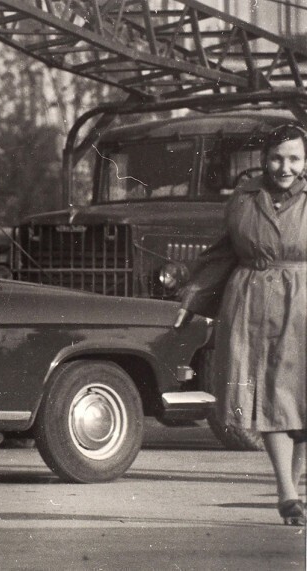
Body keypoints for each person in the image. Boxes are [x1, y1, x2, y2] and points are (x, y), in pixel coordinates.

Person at [174, 123, 307, 526]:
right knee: (272, 398)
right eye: (276, 158)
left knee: (300, 401)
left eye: (294, 158)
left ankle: (293, 491)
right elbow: (222, 253)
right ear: (263, 160)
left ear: (305, 161)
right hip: (253, 305)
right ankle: (287, 494)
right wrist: (191, 300)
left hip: (304, 305)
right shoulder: (244, 199)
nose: (284, 166)